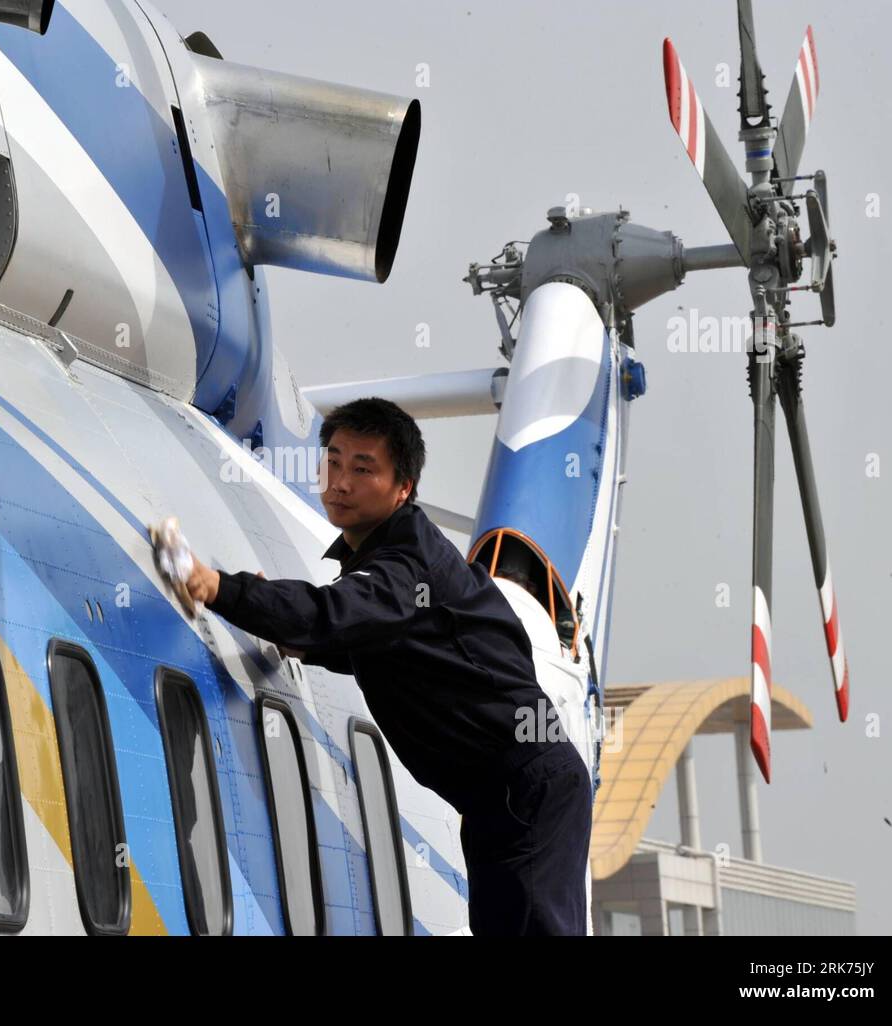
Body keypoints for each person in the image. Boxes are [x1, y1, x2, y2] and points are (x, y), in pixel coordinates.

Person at [182, 397, 592, 935]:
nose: (339, 482)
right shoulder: (389, 561)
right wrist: (306, 642)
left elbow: (335, 613)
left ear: (403, 487)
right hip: (500, 794)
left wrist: (219, 588)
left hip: (526, 786)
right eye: (332, 462)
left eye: (362, 469)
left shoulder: (406, 565)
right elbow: (391, 642)